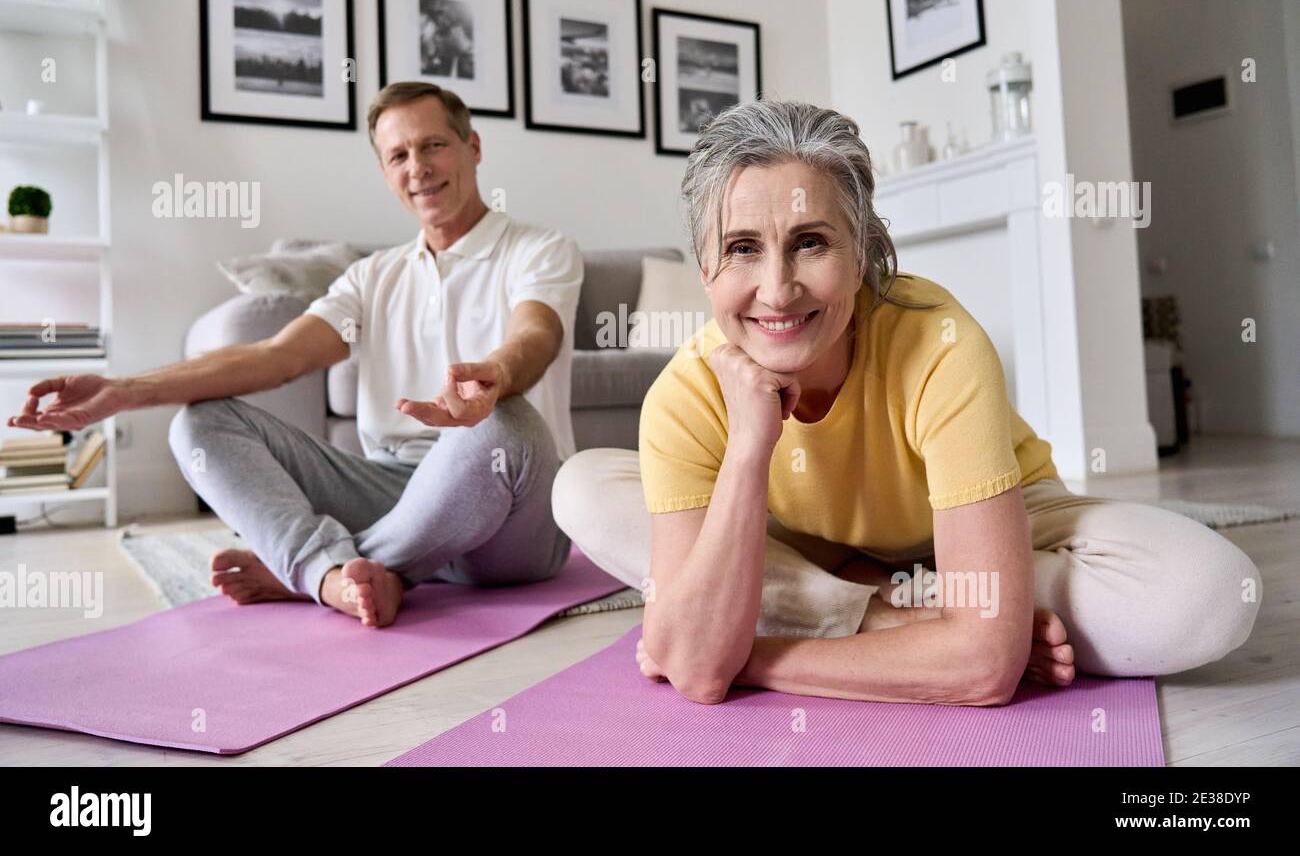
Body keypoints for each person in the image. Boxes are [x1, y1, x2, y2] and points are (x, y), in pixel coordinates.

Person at [552, 98, 1261, 705]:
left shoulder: (940, 342)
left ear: (860, 253)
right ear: (704, 267)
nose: (776, 288)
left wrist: (746, 654)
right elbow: (698, 674)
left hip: (998, 521)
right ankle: (887, 609)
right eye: (741, 247)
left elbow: (985, 669)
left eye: (810, 243)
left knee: (1211, 595)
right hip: (812, 547)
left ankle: (863, 601)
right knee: (581, 487)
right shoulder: (686, 391)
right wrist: (748, 445)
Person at [9, 82, 583, 629]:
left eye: (433, 145)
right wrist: (122, 390)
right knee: (203, 420)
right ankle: (338, 574)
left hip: (513, 523)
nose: (419, 168)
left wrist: (498, 374)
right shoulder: (372, 276)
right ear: (385, 173)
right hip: (394, 493)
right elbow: (278, 355)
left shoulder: (539, 249)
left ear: (472, 147)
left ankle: (313, 573)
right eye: (399, 155)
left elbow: (536, 336)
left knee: (503, 422)